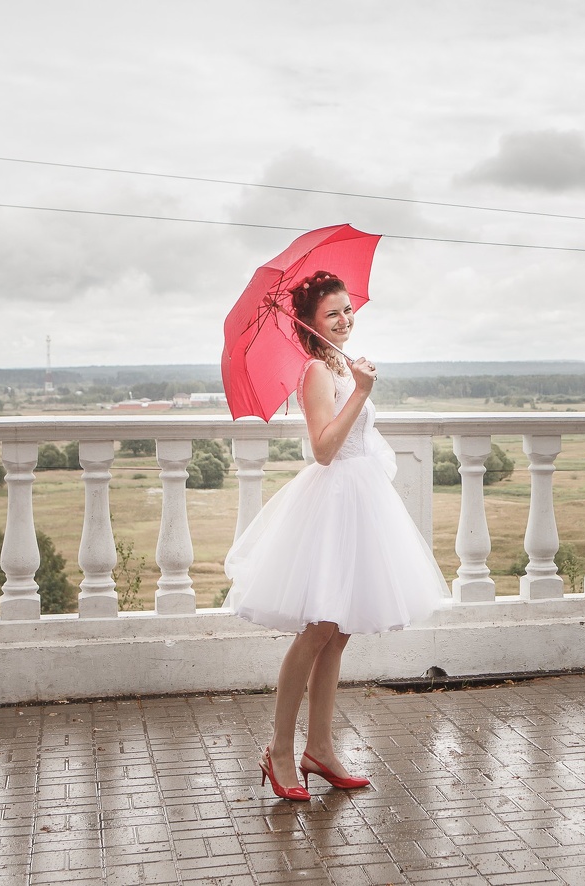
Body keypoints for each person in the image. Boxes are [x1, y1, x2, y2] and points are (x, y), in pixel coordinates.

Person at [223, 269, 450, 801]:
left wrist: (357, 381)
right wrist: (361, 391)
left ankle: (319, 749)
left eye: (348, 309)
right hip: (333, 503)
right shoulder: (314, 373)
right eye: (333, 313)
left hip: (361, 502)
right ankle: (280, 749)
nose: (346, 319)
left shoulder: (338, 365)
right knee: (319, 628)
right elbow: (324, 448)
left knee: (339, 630)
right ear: (309, 322)